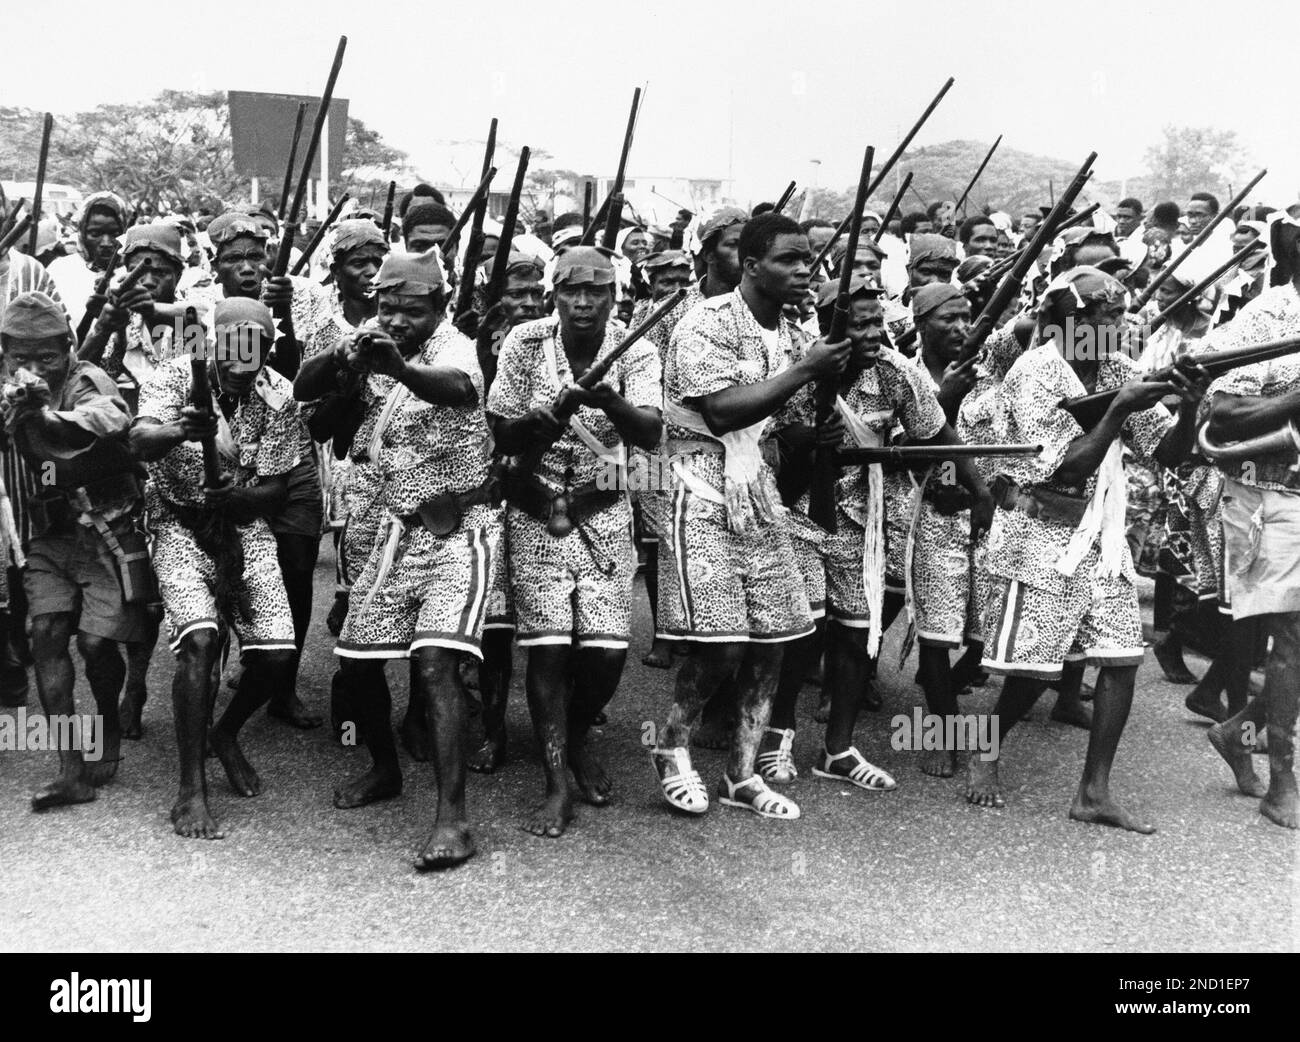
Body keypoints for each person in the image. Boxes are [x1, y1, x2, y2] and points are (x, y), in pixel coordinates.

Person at [973, 266, 1209, 832]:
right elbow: (1063, 466)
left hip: (1101, 535)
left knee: (1124, 659)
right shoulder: (1036, 371)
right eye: (1105, 316)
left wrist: (1190, 402)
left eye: (1120, 316)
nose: (1117, 326)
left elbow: (1170, 453)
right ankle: (986, 752)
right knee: (1030, 673)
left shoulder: (1118, 368)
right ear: (1067, 318)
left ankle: (1094, 792)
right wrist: (1119, 408)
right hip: (1040, 531)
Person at [297, 248, 498, 868]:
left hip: (459, 529)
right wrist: (344, 355)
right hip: (390, 535)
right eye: (387, 307)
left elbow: (459, 389)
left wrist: (399, 365)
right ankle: (384, 768)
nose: (397, 319)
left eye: (411, 310)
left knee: (435, 663)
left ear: (439, 307)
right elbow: (306, 392)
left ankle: (453, 818)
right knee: (357, 665)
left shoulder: (456, 349)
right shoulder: (369, 338)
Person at [650, 213, 850, 820]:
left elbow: (777, 417)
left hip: (757, 487)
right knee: (721, 646)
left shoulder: (793, 331)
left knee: (774, 642)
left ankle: (742, 773)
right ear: (751, 264)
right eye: (789, 259)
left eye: (808, 259)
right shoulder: (703, 323)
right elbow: (721, 412)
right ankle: (673, 748)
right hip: (696, 485)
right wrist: (806, 371)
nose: (803, 270)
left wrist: (815, 428)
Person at [488, 246, 662, 835]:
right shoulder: (525, 343)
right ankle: (557, 777)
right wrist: (544, 418)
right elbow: (500, 430)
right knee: (549, 648)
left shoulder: (635, 348)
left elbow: (651, 434)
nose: (583, 303)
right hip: (535, 507)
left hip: (604, 507)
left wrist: (606, 397)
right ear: (552, 295)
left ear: (614, 297)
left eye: (597, 293)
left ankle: (578, 731)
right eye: (571, 292)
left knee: (606, 654)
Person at [131, 299, 303, 839]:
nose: (238, 361)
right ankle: (191, 789)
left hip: (241, 527)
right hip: (178, 525)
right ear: (213, 341)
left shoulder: (280, 395)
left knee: (277, 656)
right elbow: (138, 440)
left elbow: (279, 486)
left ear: (267, 350)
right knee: (200, 643)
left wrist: (241, 499)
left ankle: (225, 733)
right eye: (230, 346)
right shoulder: (175, 375)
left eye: (252, 349)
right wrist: (183, 430)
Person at [1, 291, 153, 809]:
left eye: (48, 356)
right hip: (48, 537)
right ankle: (70, 770)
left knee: (95, 646)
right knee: (45, 633)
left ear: (68, 347)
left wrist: (45, 417)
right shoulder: (7, 388)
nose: (33, 367)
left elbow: (112, 418)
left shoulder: (88, 378)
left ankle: (107, 721)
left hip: (105, 532)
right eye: (21, 357)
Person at [199, 210, 326, 728]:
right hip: (228, 453)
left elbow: (309, 376)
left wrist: (286, 319)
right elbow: (194, 377)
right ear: (216, 263)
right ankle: (237, 660)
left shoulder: (306, 295)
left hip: (287, 453)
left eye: (257, 256)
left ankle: (284, 684)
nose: (249, 267)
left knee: (295, 566)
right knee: (227, 562)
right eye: (235, 258)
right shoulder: (196, 309)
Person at [1199, 216, 1300, 828]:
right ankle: (1283, 779)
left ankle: (1243, 728)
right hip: (1275, 497)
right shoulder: (1269, 316)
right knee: (1293, 635)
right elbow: (1223, 411)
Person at [48, 192, 128, 332]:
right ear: (82, 233)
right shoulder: (59, 271)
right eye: (95, 234)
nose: (106, 243)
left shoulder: (133, 271)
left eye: (115, 234)